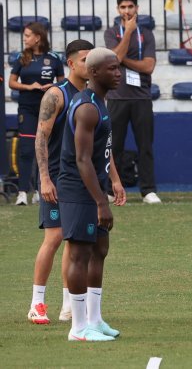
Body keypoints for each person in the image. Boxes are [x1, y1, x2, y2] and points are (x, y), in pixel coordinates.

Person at [58, 48, 126, 342]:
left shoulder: (101, 102)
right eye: (112, 69)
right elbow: (82, 159)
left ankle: (95, 320)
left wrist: (110, 183)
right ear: (94, 73)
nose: (118, 73)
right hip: (78, 189)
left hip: (94, 185)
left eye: (119, 68)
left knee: (99, 250)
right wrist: (101, 202)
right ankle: (78, 328)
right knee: (79, 254)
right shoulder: (86, 107)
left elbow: (102, 153)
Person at [27, 40, 92, 325]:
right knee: (53, 238)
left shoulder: (92, 95)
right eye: (84, 60)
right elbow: (41, 136)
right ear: (71, 63)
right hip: (53, 176)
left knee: (74, 240)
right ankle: (37, 303)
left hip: (77, 179)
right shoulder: (57, 94)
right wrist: (44, 178)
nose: (89, 65)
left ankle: (69, 304)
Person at [103, 0, 161, 204]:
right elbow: (113, 59)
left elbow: (148, 66)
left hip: (142, 98)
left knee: (145, 145)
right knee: (113, 146)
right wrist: (127, 33)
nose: (127, 11)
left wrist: (122, 59)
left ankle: (148, 191)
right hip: (116, 97)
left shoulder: (146, 33)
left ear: (137, 8)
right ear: (118, 10)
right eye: (123, 7)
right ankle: (110, 190)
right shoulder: (111, 33)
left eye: (130, 7)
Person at [8, 21, 64, 205]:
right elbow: (12, 83)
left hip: (48, 110)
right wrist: (29, 86)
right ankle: (23, 192)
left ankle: (42, 190)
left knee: (47, 149)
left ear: (38, 38)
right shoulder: (21, 58)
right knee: (26, 150)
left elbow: (63, 84)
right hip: (27, 108)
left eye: (27, 36)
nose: (24, 39)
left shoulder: (54, 58)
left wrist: (52, 86)